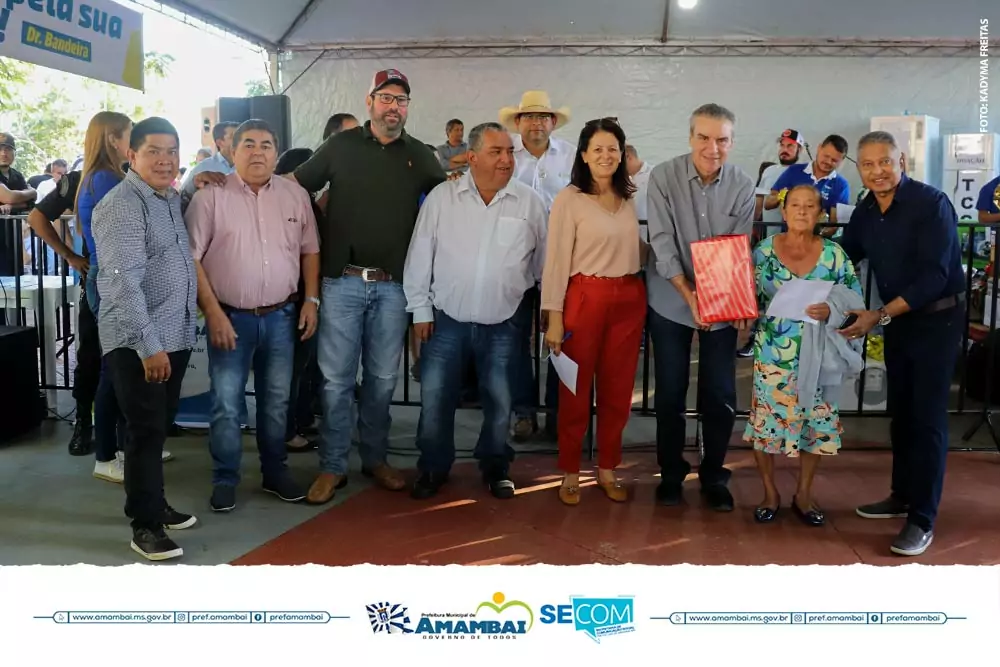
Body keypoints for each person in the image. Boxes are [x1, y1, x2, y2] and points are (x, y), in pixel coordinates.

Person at [288, 69, 446, 503]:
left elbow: (449, 201)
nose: (394, 106)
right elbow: (295, 186)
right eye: (387, 97)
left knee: (380, 379)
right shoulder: (341, 145)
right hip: (341, 282)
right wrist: (236, 184)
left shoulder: (421, 155)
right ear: (370, 100)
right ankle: (333, 466)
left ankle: (374, 459)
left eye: (402, 100)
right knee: (336, 381)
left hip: (395, 288)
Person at [838, 131, 966, 557]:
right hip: (898, 322)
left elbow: (934, 276)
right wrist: (790, 256)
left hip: (937, 320)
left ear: (902, 161)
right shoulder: (866, 210)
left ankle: (922, 518)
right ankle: (901, 495)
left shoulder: (932, 204)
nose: (878, 171)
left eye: (885, 162)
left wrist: (880, 314)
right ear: (859, 169)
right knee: (903, 415)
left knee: (928, 419)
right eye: (868, 164)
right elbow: (845, 252)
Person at [404, 122, 547, 500]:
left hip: (503, 321)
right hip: (445, 319)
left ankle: (496, 466)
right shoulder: (442, 198)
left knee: (500, 400)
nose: (506, 160)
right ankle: (433, 467)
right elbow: (420, 254)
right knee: (436, 399)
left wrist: (531, 305)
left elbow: (542, 263)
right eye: (496, 152)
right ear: (472, 157)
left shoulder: (529, 202)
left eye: (509, 152)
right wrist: (420, 310)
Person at [186, 120, 320, 512]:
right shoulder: (210, 197)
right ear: (232, 149)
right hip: (230, 318)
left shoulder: (295, 196)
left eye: (266, 144)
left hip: (282, 317)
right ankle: (225, 478)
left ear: (276, 152)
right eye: (248, 144)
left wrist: (311, 300)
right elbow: (191, 257)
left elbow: (310, 250)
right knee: (227, 405)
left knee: (276, 402)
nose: (257, 151)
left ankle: (275, 473)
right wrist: (212, 313)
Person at [93, 117, 198, 561]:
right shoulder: (123, 204)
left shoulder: (168, 199)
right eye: (154, 151)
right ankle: (145, 525)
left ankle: (154, 503)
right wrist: (148, 344)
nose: (165, 159)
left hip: (171, 334)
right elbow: (119, 283)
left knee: (156, 429)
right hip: (140, 341)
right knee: (143, 431)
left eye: (172, 151)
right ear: (131, 155)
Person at [645, 103, 755, 511]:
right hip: (670, 298)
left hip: (722, 299)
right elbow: (661, 240)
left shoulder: (743, 185)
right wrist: (690, 295)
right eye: (704, 138)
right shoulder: (663, 177)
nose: (713, 148)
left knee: (721, 393)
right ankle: (670, 474)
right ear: (690, 137)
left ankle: (714, 475)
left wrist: (730, 299)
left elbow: (738, 247)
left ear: (732, 141)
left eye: (722, 139)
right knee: (670, 391)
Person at [541, 118, 647, 506]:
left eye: (613, 149)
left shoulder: (630, 197)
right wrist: (553, 315)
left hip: (629, 298)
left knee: (618, 390)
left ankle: (607, 467)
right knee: (575, 390)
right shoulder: (569, 198)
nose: (606, 155)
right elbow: (555, 261)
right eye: (598, 148)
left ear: (622, 155)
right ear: (583, 155)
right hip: (584, 297)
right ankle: (570, 470)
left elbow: (637, 248)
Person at [745, 184, 864, 525]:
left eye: (809, 206)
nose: (801, 210)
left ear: (820, 213)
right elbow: (747, 297)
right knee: (767, 425)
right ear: (783, 213)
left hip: (820, 354)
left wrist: (832, 311)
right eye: (794, 205)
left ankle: (804, 493)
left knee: (816, 422)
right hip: (773, 355)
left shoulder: (834, 255)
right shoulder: (763, 252)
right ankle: (769, 493)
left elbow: (854, 301)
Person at [499, 90, 575, 442]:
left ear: (553, 122)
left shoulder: (572, 156)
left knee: (560, 337)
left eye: (543, 116)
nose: (536, 123)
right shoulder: (504, 156)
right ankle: (524, 413)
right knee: (515, 339)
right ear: (517, 123)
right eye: (529, 116)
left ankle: (558, 414)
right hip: (514, 261)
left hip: (561, 261)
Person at [74, 111, 135, 483]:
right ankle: (106, 454)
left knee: (121, 365)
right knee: (116, 368)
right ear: (113, 138)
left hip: (108, 275)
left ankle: (125, 446)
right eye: (130, 136)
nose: (133, 143)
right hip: (113, 278)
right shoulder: (107, 180)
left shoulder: (98, 179)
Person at [275, 147, 325, 453]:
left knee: (300, 368)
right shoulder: (294, 199)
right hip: (294, 297)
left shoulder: (304, 201)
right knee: (291, 370)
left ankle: (298, 420)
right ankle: (287, 430)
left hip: (302, 296)